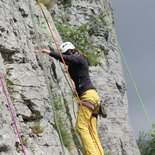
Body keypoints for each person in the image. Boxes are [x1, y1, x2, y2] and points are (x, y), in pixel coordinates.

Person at [34, 42, 104, 155]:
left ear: (70, 52)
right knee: (91, 131)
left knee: (81, 127)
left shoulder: (80, 59)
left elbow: (66, 59)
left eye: (66, 53)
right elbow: (65, 60)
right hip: (93, 97)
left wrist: (49, 52)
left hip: (87, 96)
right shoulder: (80, 59)